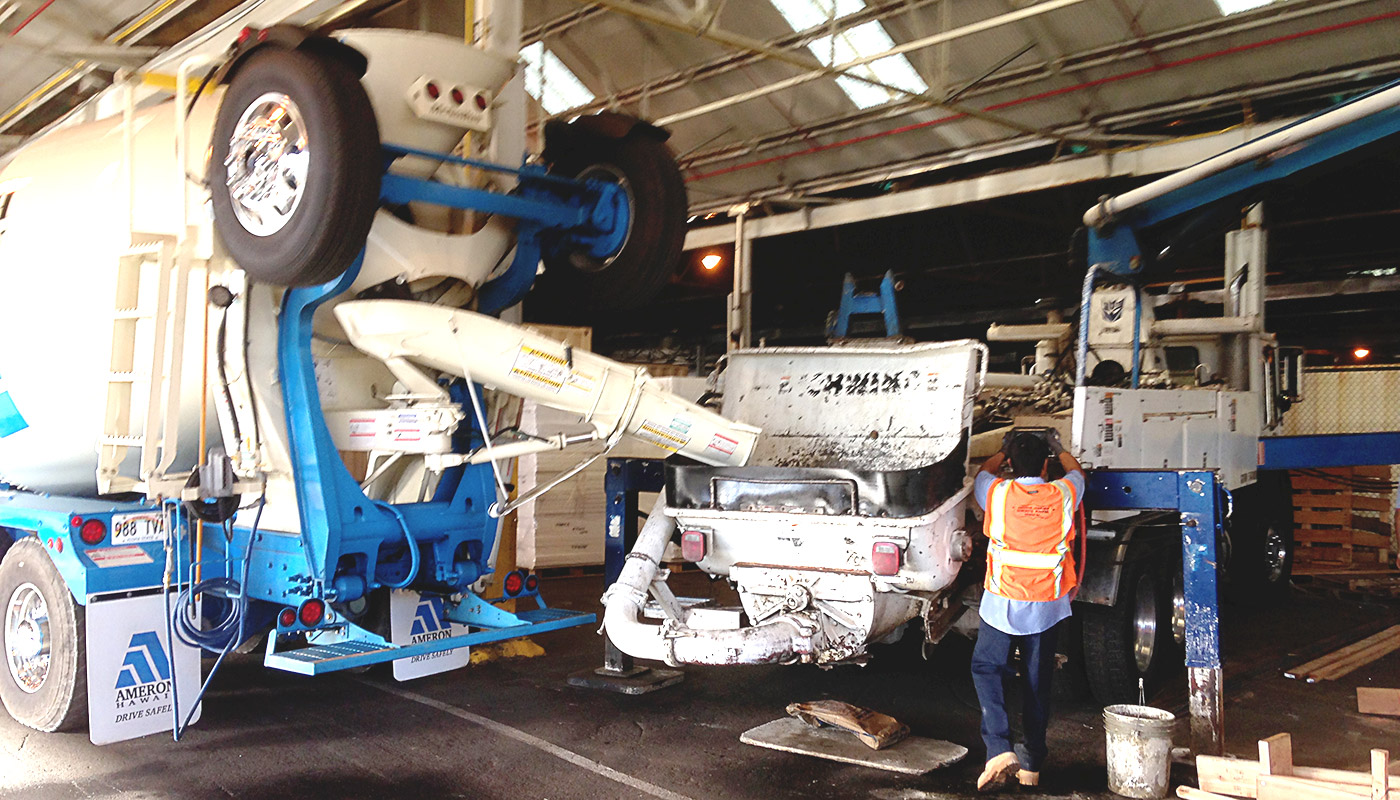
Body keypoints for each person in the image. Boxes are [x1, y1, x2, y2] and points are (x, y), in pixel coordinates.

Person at [971, 430, 1085, 791]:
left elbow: (981, 473)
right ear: (1046, 463)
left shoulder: (997, 492)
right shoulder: (1064, 493)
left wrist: (1001, 452)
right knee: (1037, 683)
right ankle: (1032, 765)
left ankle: (999, 748)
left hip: (1003, 599)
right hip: (1047, 605)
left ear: (1009, 465)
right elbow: (1078, 473)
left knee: (988, 669)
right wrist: (1060, 449)